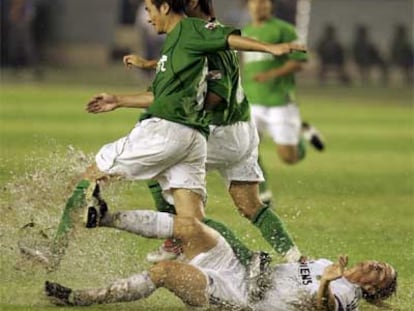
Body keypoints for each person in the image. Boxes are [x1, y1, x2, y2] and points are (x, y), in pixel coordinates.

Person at [23, 0, 306, 271]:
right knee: (211, 216)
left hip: (210, 131)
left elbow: (218, 79)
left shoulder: (198, 30)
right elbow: (181, 66)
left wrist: (272, 48)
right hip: (230, 131)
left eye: (149, 9)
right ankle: (291, 261)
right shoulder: (186, 36)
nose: (147, 16)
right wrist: (138, 80)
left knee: (98, 178)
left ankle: (55, 253)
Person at [100, 0, 302, 266]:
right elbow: (190, 62)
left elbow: (219, 91)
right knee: (251, 207)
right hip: (242, 129)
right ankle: (298, 259)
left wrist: (186, 113)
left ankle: (184, 242)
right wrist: (151, 64)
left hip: (221, 132)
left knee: (164, 176)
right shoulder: (206, 32)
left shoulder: (205, 33)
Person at [45, 206, 398, 310]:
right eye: (383, 265)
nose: (379, 267)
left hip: (240, 298)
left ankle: (82, 299)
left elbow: (322, 308)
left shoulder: (346, 295)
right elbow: (295, 273)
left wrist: (324, 283)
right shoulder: (325, 264)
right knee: (191, 227)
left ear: (370, 290)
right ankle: (102, 216)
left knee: (166, 271)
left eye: (383, 276)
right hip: (243, 271)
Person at [241, 0, 325, 208]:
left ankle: (302, 133)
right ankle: (264, 193)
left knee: (289, 157)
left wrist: (271, 74)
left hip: (279, 101)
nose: (259, 7)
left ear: (270, 6)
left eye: (263, 3)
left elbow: (298, 61)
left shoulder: (284, 29)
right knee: (246, 149)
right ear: (248, 6)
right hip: (252, 102)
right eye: (255, 3)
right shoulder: (246, 31)